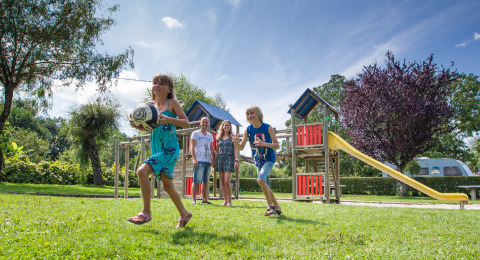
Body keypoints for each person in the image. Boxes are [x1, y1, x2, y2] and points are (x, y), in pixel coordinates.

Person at [128, 73, 192, 228]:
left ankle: (146, 213)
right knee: (167, 185)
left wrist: (170, 119)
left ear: (169, 89)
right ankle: (184, 214)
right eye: (155, 83)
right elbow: (145, 126)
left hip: (169, 148)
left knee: (142, 171)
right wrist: (136, 124)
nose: (156, 85)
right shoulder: (149, 105)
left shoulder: (172, 103)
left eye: (161, 83)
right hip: (156, 148)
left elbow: (186, 123)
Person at [232, 105, 282, 216]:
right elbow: (241, 147)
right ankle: (277, 208)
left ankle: (270, 206)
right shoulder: (248, 130)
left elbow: (277, 145)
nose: (250, 116)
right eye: (248, 114)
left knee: (260, 180)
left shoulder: (267, 127)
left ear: (258, 114)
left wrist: (263, 143)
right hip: (258, 160)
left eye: (252, 113)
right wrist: (236, 142)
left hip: (269, 158)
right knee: (265, 183)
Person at [190, 117, 215, 205]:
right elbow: (192, 146)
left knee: (205, 181)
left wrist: (212, 160)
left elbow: (212, 148)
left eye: (206, 122)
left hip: (207, 161)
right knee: (196, 180)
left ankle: (204, 199)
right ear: (200, 123)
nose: (204, 124)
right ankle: (193, 200)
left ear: (208, 124)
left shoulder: (210, 135)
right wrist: (194, 159)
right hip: (199, 160)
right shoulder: (195, 133)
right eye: (203, 122)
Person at [215, 120, 239, 207]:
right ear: (222, 126)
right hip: (220, 159)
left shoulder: (233, 137)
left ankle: (230, 201)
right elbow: (217, 151)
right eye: (225, 125)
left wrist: (236, 160)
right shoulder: (218, 137)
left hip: (229, 158)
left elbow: (236, 149)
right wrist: (215, 161)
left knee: (227, 181)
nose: (226, 126)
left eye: (228, 125)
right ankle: (225, 201)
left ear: (230, 127)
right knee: (222, 182)